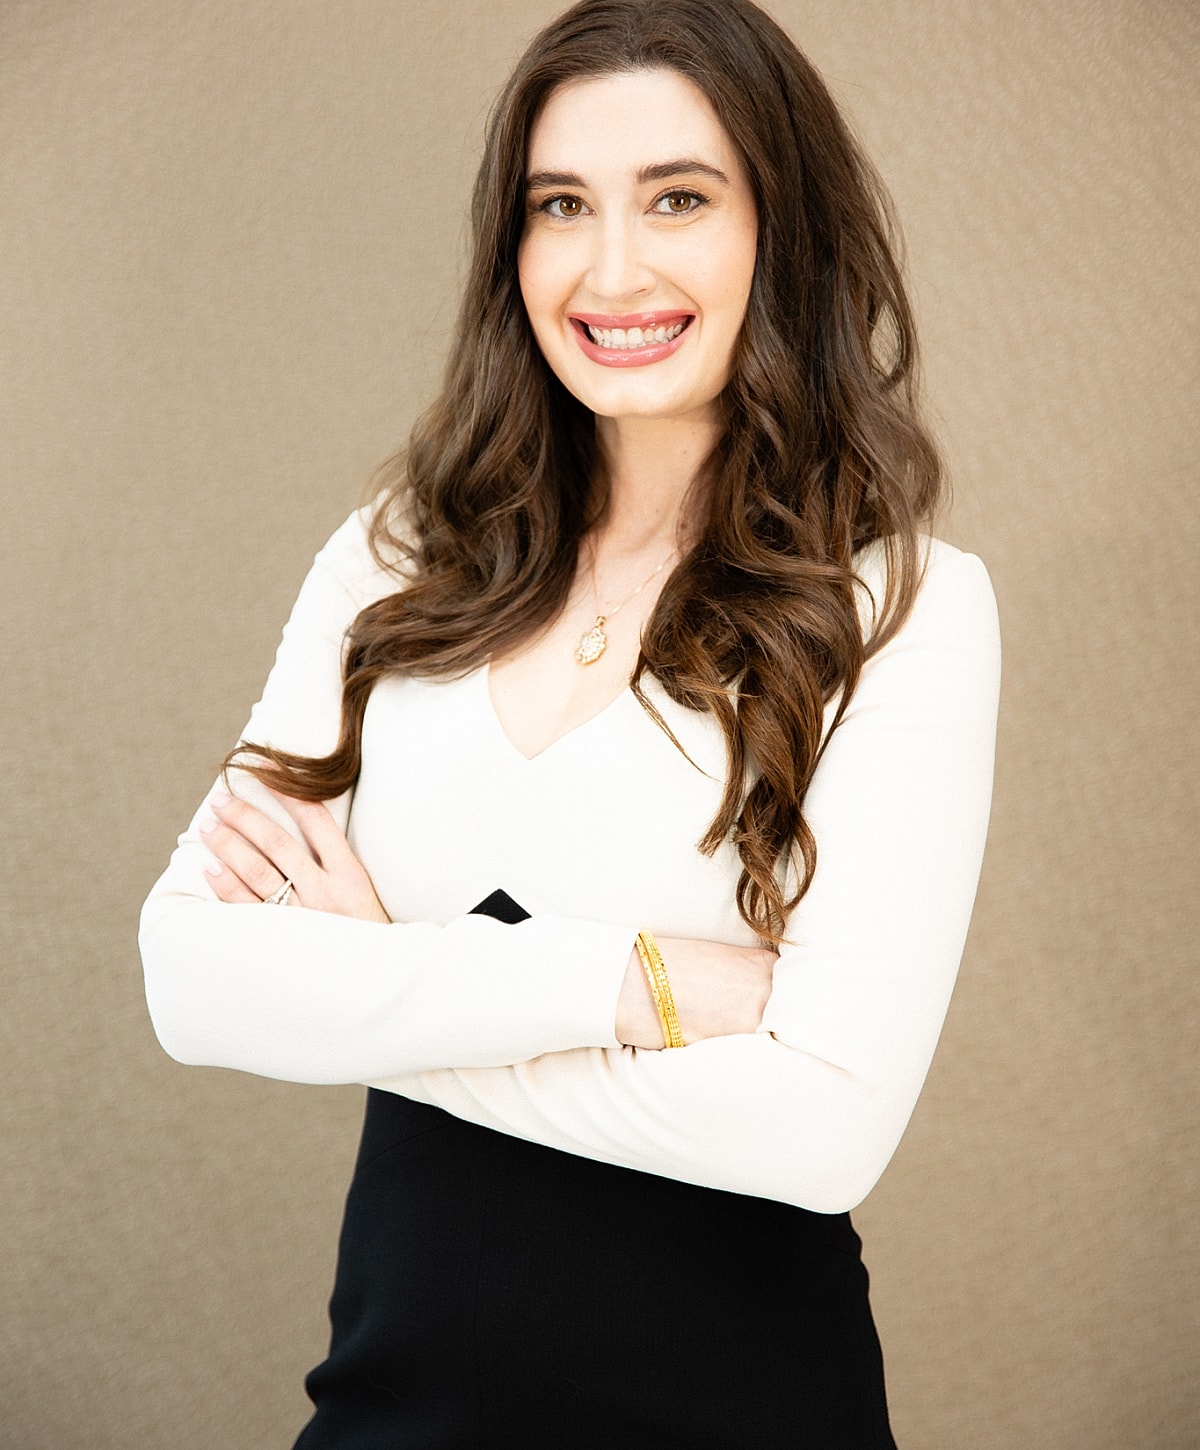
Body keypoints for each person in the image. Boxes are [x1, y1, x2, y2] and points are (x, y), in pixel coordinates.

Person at [140, 0, 1000, 1444]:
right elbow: (191, 977)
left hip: (742, 1409)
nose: (613, 268)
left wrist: (380, 986)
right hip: (390, 1404)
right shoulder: (399, 556)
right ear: (512, 246)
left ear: (778, 230)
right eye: (561, 206)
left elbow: (824, 1127)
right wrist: (647, 985)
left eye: (678, 197)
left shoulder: (903, 601)